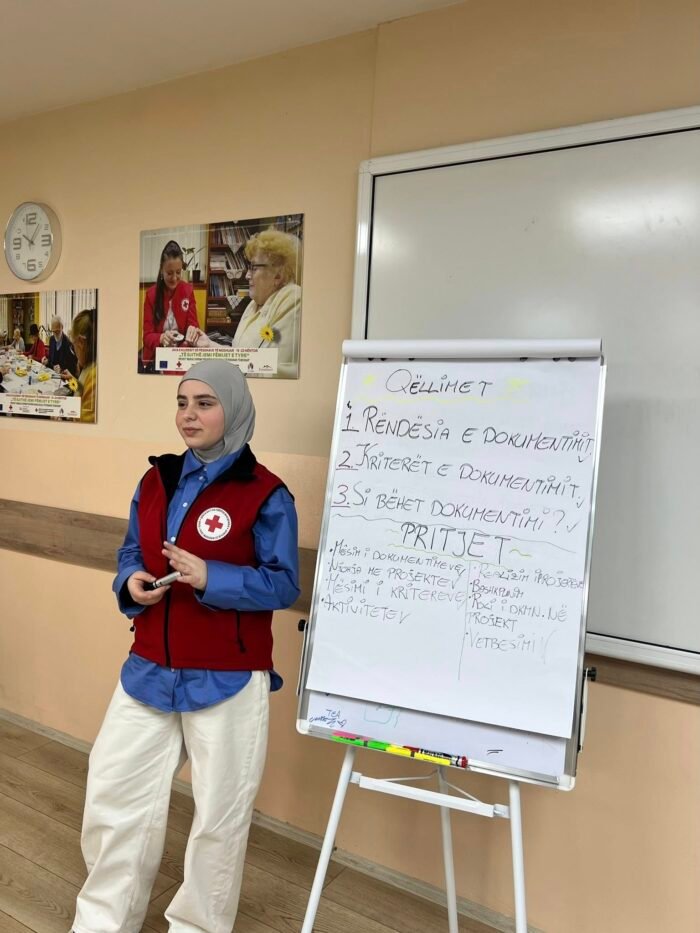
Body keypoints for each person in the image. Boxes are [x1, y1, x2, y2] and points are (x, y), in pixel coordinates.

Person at [72, 360, 300, 933]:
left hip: (227, 678)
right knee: (112, 797)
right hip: (149, 668)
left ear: (234, 409)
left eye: (204, 403)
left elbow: (283, 584)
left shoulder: (267, 493)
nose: (189, 415)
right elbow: (132, 549)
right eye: (182, 402)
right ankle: (102, 922)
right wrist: (130, 580)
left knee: (218, 819)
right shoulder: (155, 480)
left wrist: (211, 577)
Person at [197, 229, 302, 378]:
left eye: (254, 268)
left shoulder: (292, 298)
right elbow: (239, 354)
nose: (247, 275)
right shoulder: (253, 304)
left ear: (278, 275)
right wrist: (210, 345)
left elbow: (271, 369)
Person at [142, 240, 203, 368]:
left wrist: (192, 331)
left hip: (181, 353)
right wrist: (161, 338)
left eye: (178, 272)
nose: (175, 278)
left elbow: (193, 325)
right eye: (169, 273)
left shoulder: (187, 291)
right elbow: (147, 336)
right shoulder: (151, 295)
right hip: (156, 356)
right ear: (161, 270)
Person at [69, 308, 97, 424]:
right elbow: (83, 391)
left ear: (80, 342)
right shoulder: (89, 367)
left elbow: (82, 424)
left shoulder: (94, 374)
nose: (74, 351)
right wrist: (71, 380)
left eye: (73, 346)